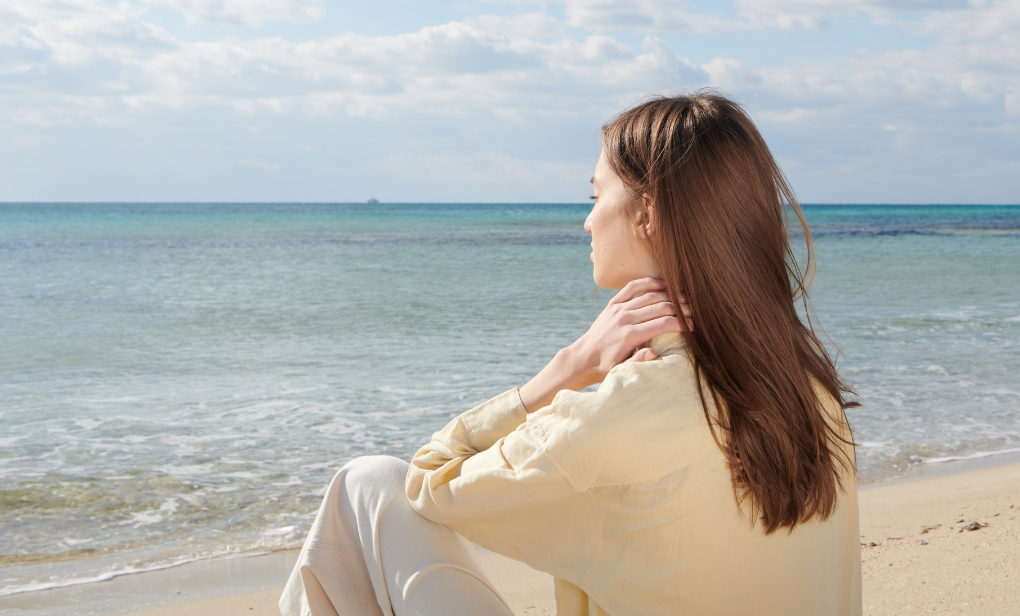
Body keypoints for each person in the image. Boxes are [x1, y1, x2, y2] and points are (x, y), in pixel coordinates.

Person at [281, 91, 861, 616]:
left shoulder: (627, 409)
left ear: (647, 213)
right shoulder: (810, 391)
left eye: (595, 194)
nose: (586, 221)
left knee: (369, 482)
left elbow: (430, 481)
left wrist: (570, 368)